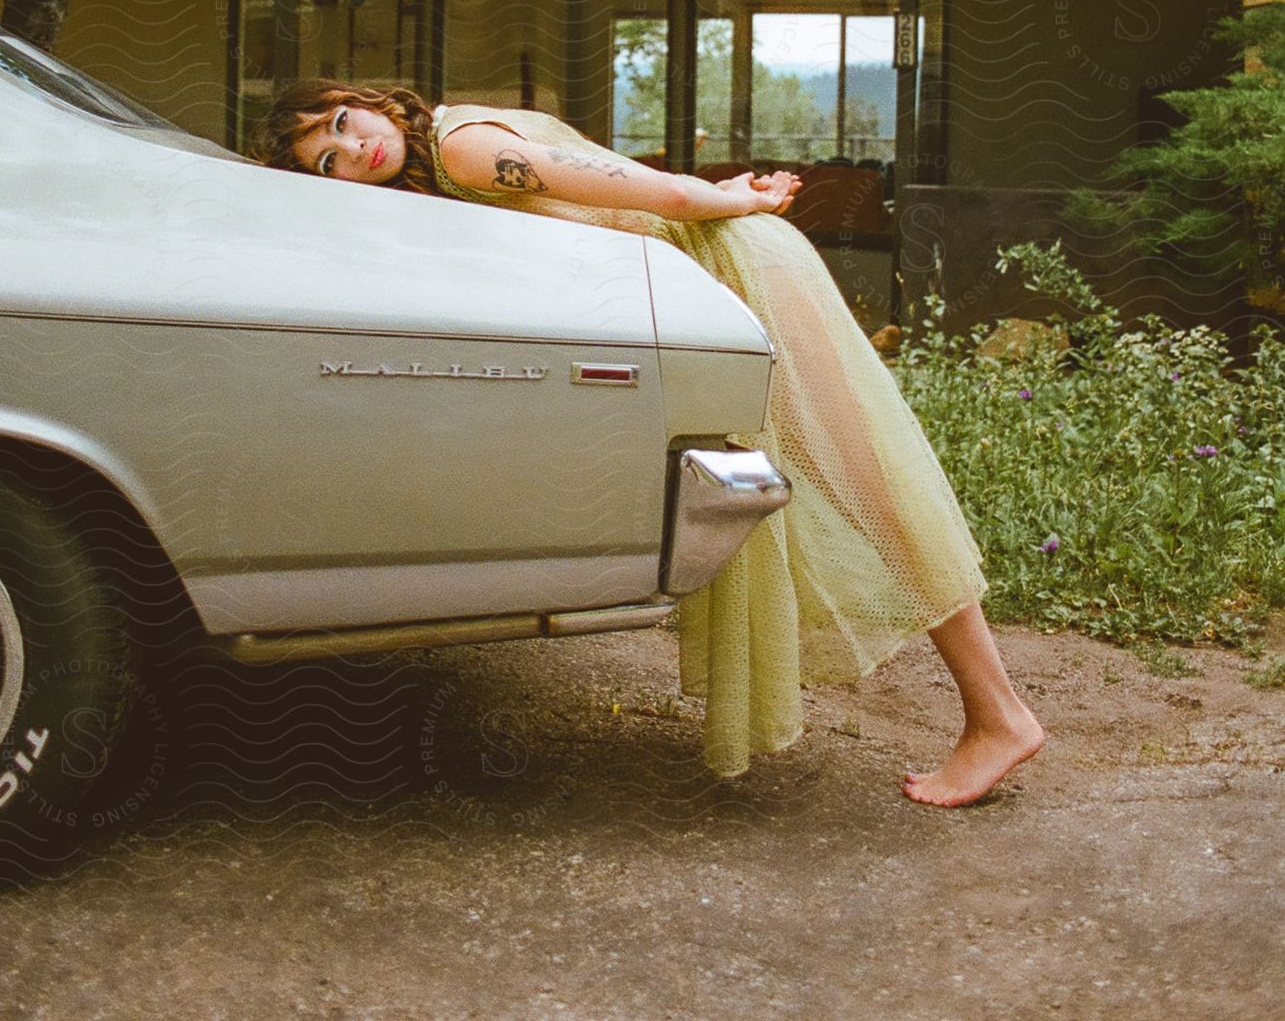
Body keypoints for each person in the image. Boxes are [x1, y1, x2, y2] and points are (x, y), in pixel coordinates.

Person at [255, 79, 1045, 806]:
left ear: (362, 100)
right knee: (833, 480)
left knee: (861, 482)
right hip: (716, 276)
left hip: (738, 278)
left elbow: (645, 189)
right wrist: (717, 196)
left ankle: (998, 715)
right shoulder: (448, 149)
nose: (354, 147)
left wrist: (708, 198)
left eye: (341, 122)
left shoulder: (459, 147)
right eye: (329, 160)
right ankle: (993, 711)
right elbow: (604, 181)